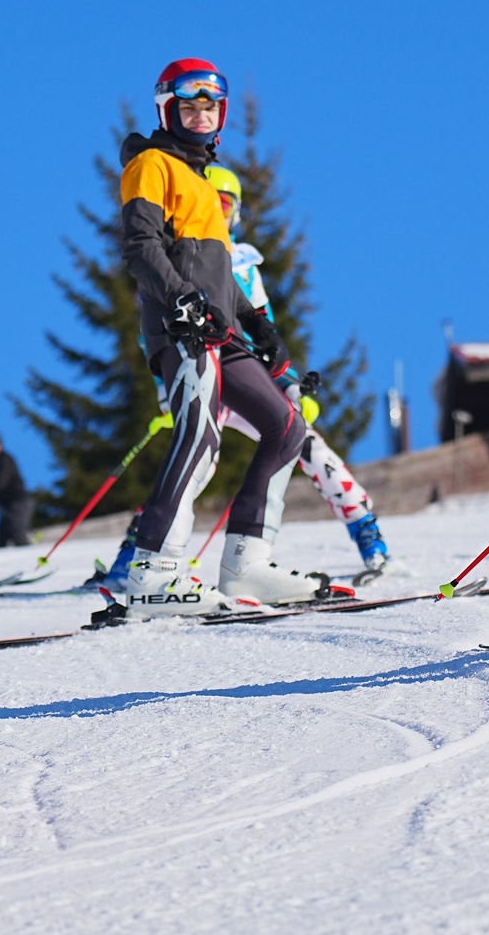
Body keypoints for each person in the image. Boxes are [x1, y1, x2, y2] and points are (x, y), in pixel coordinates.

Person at [94, 58, 320, 623]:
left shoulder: (200, 182)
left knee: (288, 427)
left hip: (224, 331)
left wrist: (260, 326)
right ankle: (155, 572)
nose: (199, 117)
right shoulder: (151, 165)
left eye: (209, 108)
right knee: (199, 436)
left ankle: (247, 563)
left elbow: (221, 276)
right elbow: (142, 247)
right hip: (183, 329)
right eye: (188, 107)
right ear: (169, 110)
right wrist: (181, 302)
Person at [204, 162, 391, 577]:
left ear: (236, 213)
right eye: (208, 203)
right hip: (205, 377)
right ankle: (139, 550)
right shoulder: (187, 254)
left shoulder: (243, 265)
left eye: (224, 204)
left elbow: (262, 326)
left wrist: (288, 382)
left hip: (243, 374)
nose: (217, 213)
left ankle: (364, 525)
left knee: (304, 442)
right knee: (196, 457)